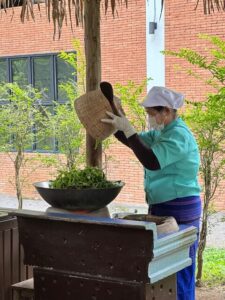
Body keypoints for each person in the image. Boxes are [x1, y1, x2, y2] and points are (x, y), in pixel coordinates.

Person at [101, 86, 202, 300]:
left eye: (152, 113)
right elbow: (134, 142)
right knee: (164, 269)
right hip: (162, 205)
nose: (150, 118)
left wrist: (127, 127)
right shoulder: (161, 132)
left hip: (181, 207)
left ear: (166, 111)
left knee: (180, 267)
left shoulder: (178, 136)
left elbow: (152, 161)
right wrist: (118, 124)